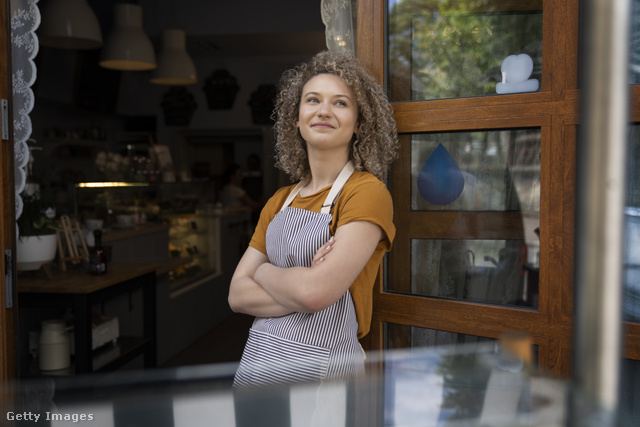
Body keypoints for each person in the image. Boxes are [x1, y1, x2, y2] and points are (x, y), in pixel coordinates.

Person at [228, 50, 399, 390]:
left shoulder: (366, 192)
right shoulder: (279, 201)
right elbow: (236, 295)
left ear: (359, 122)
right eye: (313, 100)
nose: (323, 111)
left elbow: (315, 294)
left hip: (324, 374)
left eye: (340, 103)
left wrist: (261, 272)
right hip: (260, 363)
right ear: (296, 117)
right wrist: (303, 283)